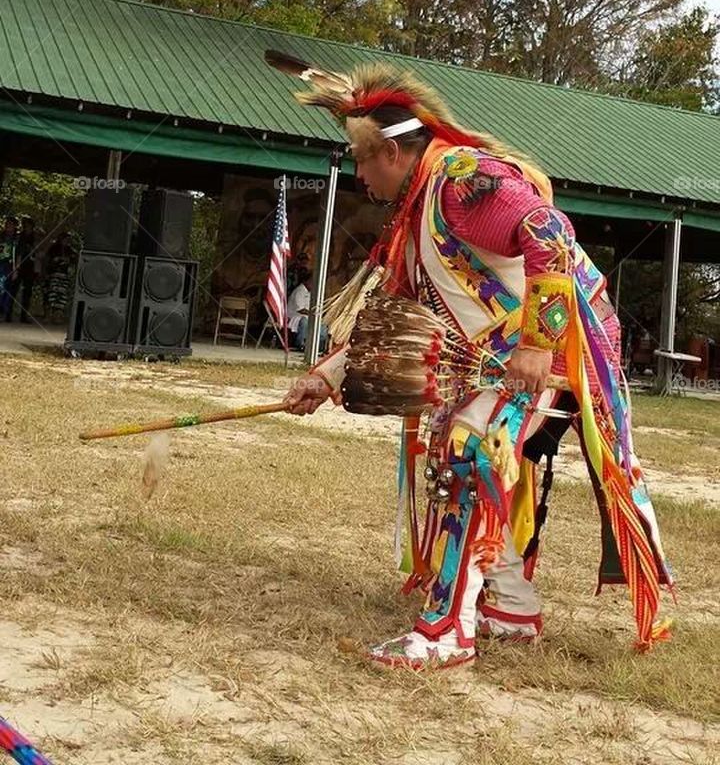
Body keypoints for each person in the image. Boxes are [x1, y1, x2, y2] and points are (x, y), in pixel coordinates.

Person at [268, 53, 673, 669]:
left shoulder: (461, 182)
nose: (359, 177)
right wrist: (324, 376)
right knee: (464, 450)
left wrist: (539, 343)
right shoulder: (415, 216)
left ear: (393, 153)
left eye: (360, 160)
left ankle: (444, 634)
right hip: (503, 356)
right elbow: (392, 320)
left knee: (468, 446)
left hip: (562, 349)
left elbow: (549, 234)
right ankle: (510, 607)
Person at [7, 215, 37, 323]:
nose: (27, 227)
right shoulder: (20, 237)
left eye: (29, 225)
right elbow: (18, 252)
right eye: (25, 225)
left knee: (27, 292)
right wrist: (17, 266)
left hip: (30, 267)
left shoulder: (34, 237)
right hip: (20, 266)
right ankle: (8, 314)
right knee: (13, 290)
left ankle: (23, 316)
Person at [43, 232, 75, 325]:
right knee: (52, 294)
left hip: (64, 276)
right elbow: (47, 261)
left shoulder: (70, 250)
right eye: (65, 239)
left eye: (68, 240)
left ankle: (58, 316)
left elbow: (73, 260)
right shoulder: (53, 248)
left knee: (62, 296)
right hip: (54, 274)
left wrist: (68, 260)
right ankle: (48, 315)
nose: (66, 241)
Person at [0, 215, 18, 322]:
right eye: (7, 224)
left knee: (6, 289)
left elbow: (17, 255)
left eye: (11, 225)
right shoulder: (1, 236)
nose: (8, 227)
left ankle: (3, 312)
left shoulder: (16, 239)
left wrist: (15, 269)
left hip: (8, 266)